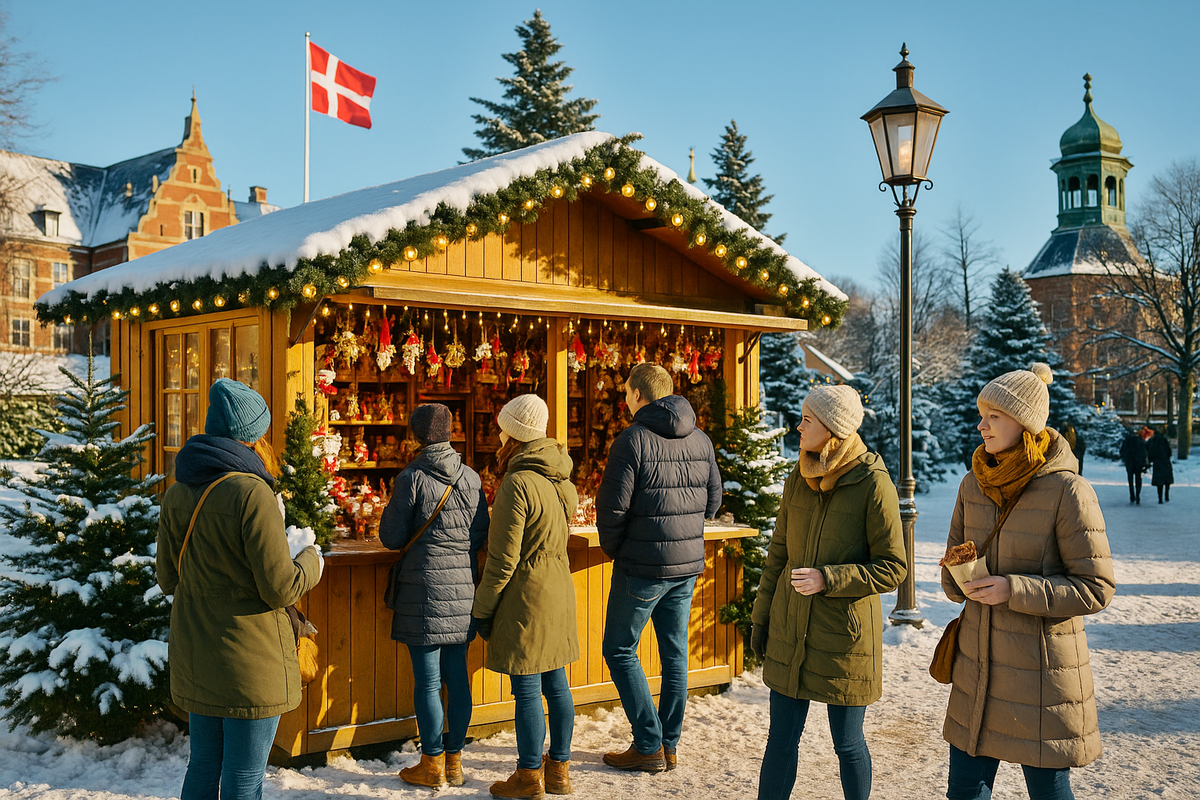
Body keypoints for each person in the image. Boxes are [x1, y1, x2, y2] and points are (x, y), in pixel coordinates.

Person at [942, 364, 1115, 800]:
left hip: (1042, 679)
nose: (981, 425)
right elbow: (951, 570)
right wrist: (956, 578)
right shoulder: (971, 484)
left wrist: (1012, 588)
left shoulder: (1067, 490)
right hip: (977, 674)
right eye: (981, 415)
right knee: (963, 792)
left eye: (993, 416)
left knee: (1049, 795)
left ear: (1026, 423)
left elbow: (1095, 588)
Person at [156, 378, 324, 800]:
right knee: (244, 778)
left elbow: (167, 579)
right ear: (254, 436)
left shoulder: (178, 493)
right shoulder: (252, 493)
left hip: (197, 654)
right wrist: (311, 561)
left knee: (203, 766)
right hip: (250, 662)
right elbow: (280, 588)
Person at [750, 384, 906, 800]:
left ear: (833, 429)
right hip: (791, 628)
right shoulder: (797, 479)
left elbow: (894, 567)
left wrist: (829, 578)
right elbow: (777, 557)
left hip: (845, 637)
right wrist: (761, 618)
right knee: (780, 739)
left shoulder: (873, 484)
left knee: (848, 744)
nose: (798, 427)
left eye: (807, 420)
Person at [596, 363, 722, 773]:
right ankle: (668, 743)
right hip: (685, 567)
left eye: (626, 392)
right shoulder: (700, 439)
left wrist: (618, 549)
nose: (624, 398)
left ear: (637, 394)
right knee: (674, 654)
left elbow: (611, 509)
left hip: (642, 567)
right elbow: (713, 501)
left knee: (618, 649)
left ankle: (648, 743)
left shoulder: (632, 440)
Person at [472, 394, 579, 798]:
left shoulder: (517, 483)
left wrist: (481, 610)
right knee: (557, 683)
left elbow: (502, 560)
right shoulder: (560, 478)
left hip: (526, 595)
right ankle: (560, 771)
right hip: (557, 586)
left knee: (528, 689)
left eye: (503, 429)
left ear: (514, 434)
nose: (498, 435)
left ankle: (529, 775)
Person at [379, 403, 489, 788]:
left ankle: (432, 764)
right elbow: (479, 536)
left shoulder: (411, 478)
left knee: (427, 682)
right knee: (457, 677)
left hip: (423, 590)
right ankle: (455, 760)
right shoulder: (472, 478)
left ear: (416, 436)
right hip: (462, 588)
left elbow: (391, 537)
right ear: (449, 433)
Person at [1118, 425, 1148, 503]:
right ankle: (1138, 494)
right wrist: (1143, 462)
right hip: (1138, 463)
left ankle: (1132, 495)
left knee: (1130, 480)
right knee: (1138, 479)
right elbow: (1143, 452)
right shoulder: (1140, 442)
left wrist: (1125, 459)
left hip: (1129, 463)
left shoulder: (1127, 441)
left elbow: (1122, 451)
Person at [1145, 426, 1174, 503]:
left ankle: (1160, 498)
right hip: (1165, 462)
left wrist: (1151, 460)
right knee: (1167, 481)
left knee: (1159, 482)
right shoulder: (1164, 440)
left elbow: (1149, 452)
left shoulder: (1152, 441)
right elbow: (1169, 452)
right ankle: (1166, 495)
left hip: (1157, 463)